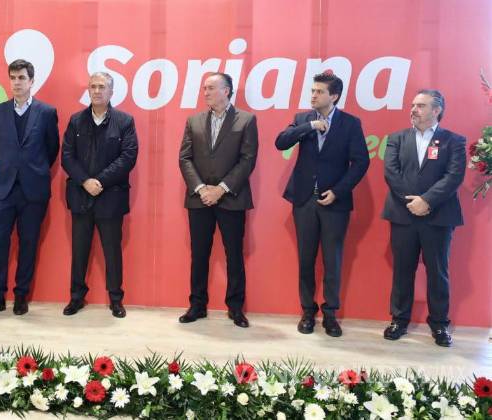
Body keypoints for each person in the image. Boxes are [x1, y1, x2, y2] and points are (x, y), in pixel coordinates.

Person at [275, 72, 369, 337]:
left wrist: (338, 192)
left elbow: (361, 162)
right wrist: (310, 127)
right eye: (312, 91)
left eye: (319, 92)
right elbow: (281, 142)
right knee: (305, 259)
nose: (313, 95)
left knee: (332, 260)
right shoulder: (302, 119)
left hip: (334, 203)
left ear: (334, 96)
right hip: (304, 200)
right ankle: (307, 311)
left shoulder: (350, 123)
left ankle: (330, 314)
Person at [382, 89, 466, 347]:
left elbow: (454, 176)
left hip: (438, 216)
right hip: (403, 214)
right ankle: (399, 320)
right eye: (413, 105)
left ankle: (439, 324)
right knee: (402, 269)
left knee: (438, 271)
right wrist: (413, 202)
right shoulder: (397, 138)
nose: (413, 109)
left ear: (436, 110)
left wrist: (427, 201)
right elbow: (391, 173)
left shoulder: (453, 141)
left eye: (420, 105)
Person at [0, 59, 59, 317]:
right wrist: (9, 168)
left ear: (31, 81)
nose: (16, 82)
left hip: (33, 190)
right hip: (4, 188)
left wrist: (32, 169)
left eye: (22, 78)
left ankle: (21, 295)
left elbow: (52, 149)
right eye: (13, 77)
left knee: (29, 243)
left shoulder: (47, 112)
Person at [178, 72, 258, 328]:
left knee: (234, 254)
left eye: (211, 88)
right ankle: (197, 305)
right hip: (199, 198)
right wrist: (202, 188)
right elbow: (185, 158)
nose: (206, 93)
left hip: (231, 198)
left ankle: (235, 308)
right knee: (199, 254)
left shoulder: (246, 120)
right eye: (204, 88)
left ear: (226, 91)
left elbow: (247, 160)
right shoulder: (194, 121)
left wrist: (220, 189)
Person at [61, 72, 138, 317]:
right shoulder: (76, 121)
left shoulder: (124, 121)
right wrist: (85, 181)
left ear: (111, 92)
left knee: (112, 252)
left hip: (110, 197)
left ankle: (116, 299)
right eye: (93, 86)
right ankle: (76, 297)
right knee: (79, 251)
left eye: (102, 87)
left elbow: (128, 157)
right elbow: (67, 156)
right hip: (81, 196)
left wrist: (100, 181)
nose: (96, 91)